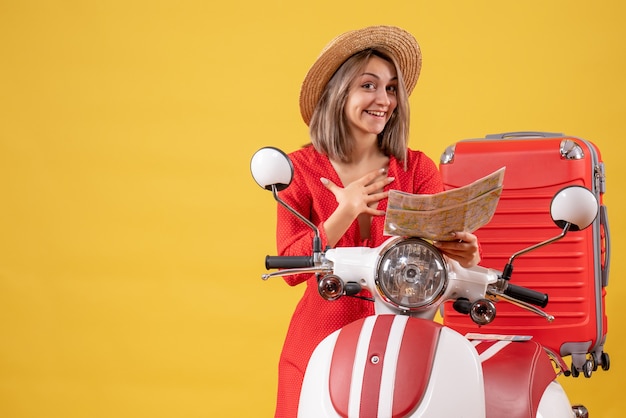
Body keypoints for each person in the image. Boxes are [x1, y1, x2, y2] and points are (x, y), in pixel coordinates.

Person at [273, 25, 481, 417]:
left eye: (390, 88)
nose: (383, 100)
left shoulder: (417, 168)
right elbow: (290, 267)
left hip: (406, 339)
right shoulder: (297, 169)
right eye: (369, 86)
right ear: (339, 93)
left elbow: (433, 260)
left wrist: (462, 256)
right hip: (319, 342)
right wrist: (345, 211)